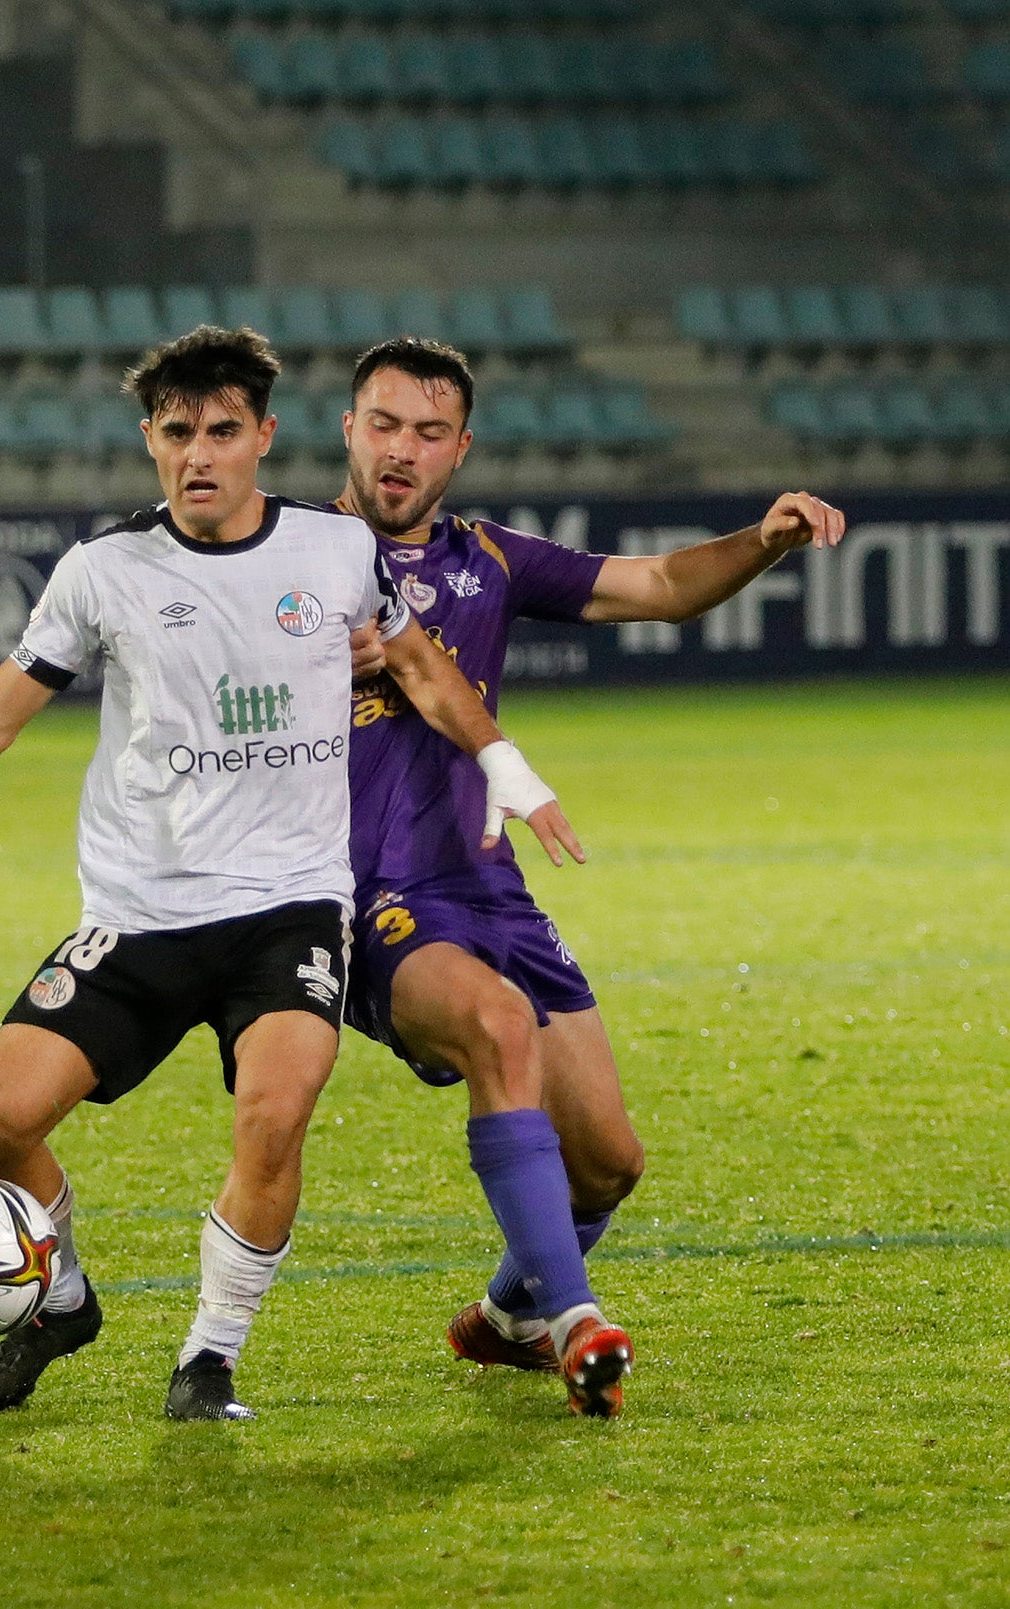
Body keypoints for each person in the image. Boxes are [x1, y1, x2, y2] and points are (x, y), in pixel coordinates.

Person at [0, 325, 575, 1423]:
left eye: (222, 431)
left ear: (264, 438)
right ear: (149, 439)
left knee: (275, 1110)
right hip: (139, 913)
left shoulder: (334, 555)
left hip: (289, 910)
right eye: (177, 432)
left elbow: (418, 658)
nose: (199, 453)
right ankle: (67, 1297)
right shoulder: (104, 572)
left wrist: (503, 763)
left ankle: (209, 1357)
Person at [341, 337, 846, 1417]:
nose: (402, 451)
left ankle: (509, 1317)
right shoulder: (287, 559)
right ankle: (577, 1324)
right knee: (497, 1031)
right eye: (384, 424)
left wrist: (763, 539)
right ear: (348, 429)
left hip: (493, 890)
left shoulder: (493, 559)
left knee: (610, 1163)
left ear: (460, 449)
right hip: (373, 896)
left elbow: (662, 584)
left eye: (429, 434)